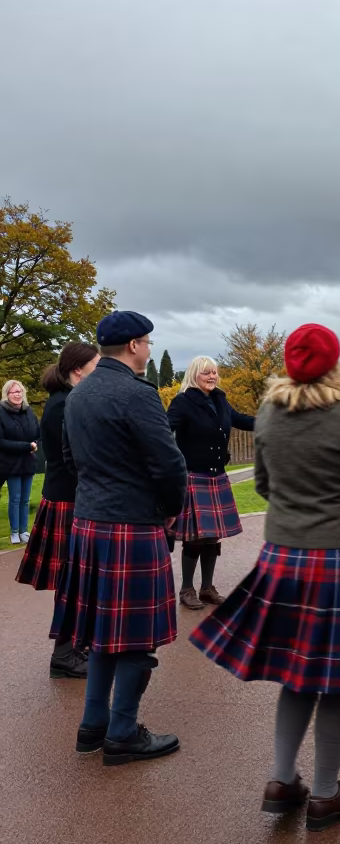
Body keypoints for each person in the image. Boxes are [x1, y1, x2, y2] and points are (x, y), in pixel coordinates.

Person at [190, 324, 340, 832]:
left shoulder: (269, 415)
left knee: (296, 672)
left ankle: (282, 780)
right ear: (334, 364)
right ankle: (326, 793)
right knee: (337, 679)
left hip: (282, 556)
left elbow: (263, 482)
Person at [51, 311, 187, 765]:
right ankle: (123, 733)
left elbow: (70, 460)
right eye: (147, 342)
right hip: (132, 525)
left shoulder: (79, 393)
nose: (149, 349)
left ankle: (93, 727)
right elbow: (169, 465)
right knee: (134, 638)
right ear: (133, 345)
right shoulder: (138, 394)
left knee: (105, 635)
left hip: (90, 523)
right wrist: (170, 509)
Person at [16, 343, 100, 678]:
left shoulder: (65, 400)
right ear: (78, 370)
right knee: (74, 580)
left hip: (69, 497)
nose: (101, 369)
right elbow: (74, 459)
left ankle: (73, 645)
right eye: (96, 364)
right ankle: (64, 653)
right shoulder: (64, 404)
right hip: (70, 499)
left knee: (77, 579)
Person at [167, 356, 254, 610]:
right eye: (207, 373)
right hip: (194, 476)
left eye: (215, 372)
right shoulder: (183, 402)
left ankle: (206, 588)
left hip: (217, 475)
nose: (212, 377)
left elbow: (240, 420)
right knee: (195, 538)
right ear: (195, 374)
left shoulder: (220, 400)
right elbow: (162, 429)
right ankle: (186, 589)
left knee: (213, 537)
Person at [0, 379, 41, 544]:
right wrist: (26, 446)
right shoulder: (1, 412)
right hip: (11, 463)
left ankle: (24, 530)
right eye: (13, 392)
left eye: (19, 391)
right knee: (15, 498)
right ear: (7, 394)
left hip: (28, 461)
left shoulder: (28, 411)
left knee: (26, 499)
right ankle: (14, 532)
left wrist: (34, 444)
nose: (17, 394)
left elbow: (37, 433)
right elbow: (1, 441)